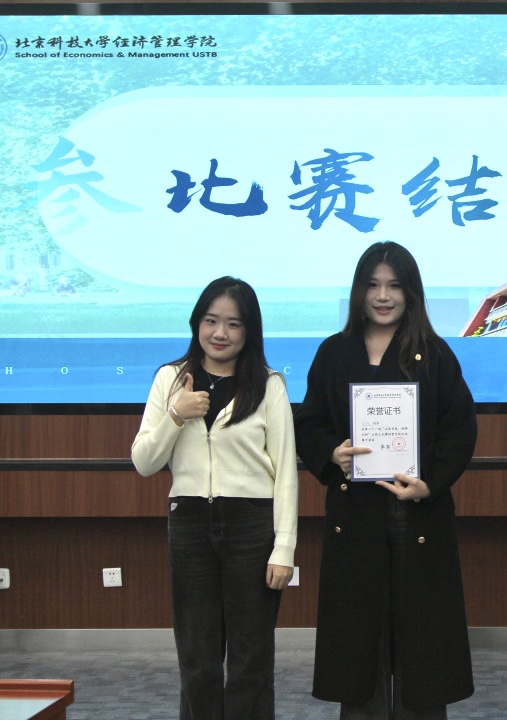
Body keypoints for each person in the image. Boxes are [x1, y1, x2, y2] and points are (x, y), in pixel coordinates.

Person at [294, 241, 476, 720]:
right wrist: (331, 453)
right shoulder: (334, 352)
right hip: (355, 516)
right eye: (373, 285)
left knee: (423, 647)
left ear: (411, 293)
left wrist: (429, 482)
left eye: (394, 286)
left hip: (417, 514)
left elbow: (459, 430)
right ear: (359, 291)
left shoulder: (435, 353)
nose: (383, 296)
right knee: (359, 647)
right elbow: (309, 422)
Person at [131, 276, 298, 720]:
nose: (220, 333)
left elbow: (285, 472)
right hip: (189, 523)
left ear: (249, 331)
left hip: (252, 524)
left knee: (250, 660)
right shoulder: (170, 379)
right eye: (211, 320)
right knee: (198, 660)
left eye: (233, 324)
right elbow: (144, 461)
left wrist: (284, 548)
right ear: (197, 323)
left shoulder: (268, 385)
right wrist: (175, 414)